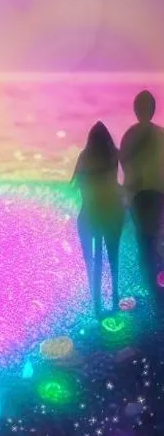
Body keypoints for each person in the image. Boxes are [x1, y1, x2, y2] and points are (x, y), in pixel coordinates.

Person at [72, 121, 125, 317]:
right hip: (111, 213)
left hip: (89, 215)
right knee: (113, 258)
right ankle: (115, 299)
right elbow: (118, 184)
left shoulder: (84, 156)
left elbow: (78, 187)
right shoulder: (114, 154)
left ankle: (96, 305)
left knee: (93, 262)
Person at [120, 90, 164, 305]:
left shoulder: (130, 134)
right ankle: (156, 283)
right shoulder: (160, 134)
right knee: (154, 237)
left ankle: (151, 286)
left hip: (140, 195)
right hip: (157, 194)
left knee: (144, 240)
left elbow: (126, 167)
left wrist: (127, 194)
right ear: (153, 110)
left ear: (136, 110)